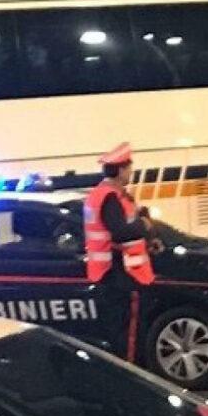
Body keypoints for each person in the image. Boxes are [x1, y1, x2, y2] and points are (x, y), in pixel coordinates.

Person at [83, 143, 156, 363]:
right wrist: (144, 225)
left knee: (120, 331)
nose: (131, 172)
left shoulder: (106, 195)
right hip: (121, 275)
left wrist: (150, 239)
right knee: (128, 336)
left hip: (111, 273)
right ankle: (133, 377)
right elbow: (121, 231)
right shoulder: (110, 198)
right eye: (129, 168)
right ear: (120, 170)